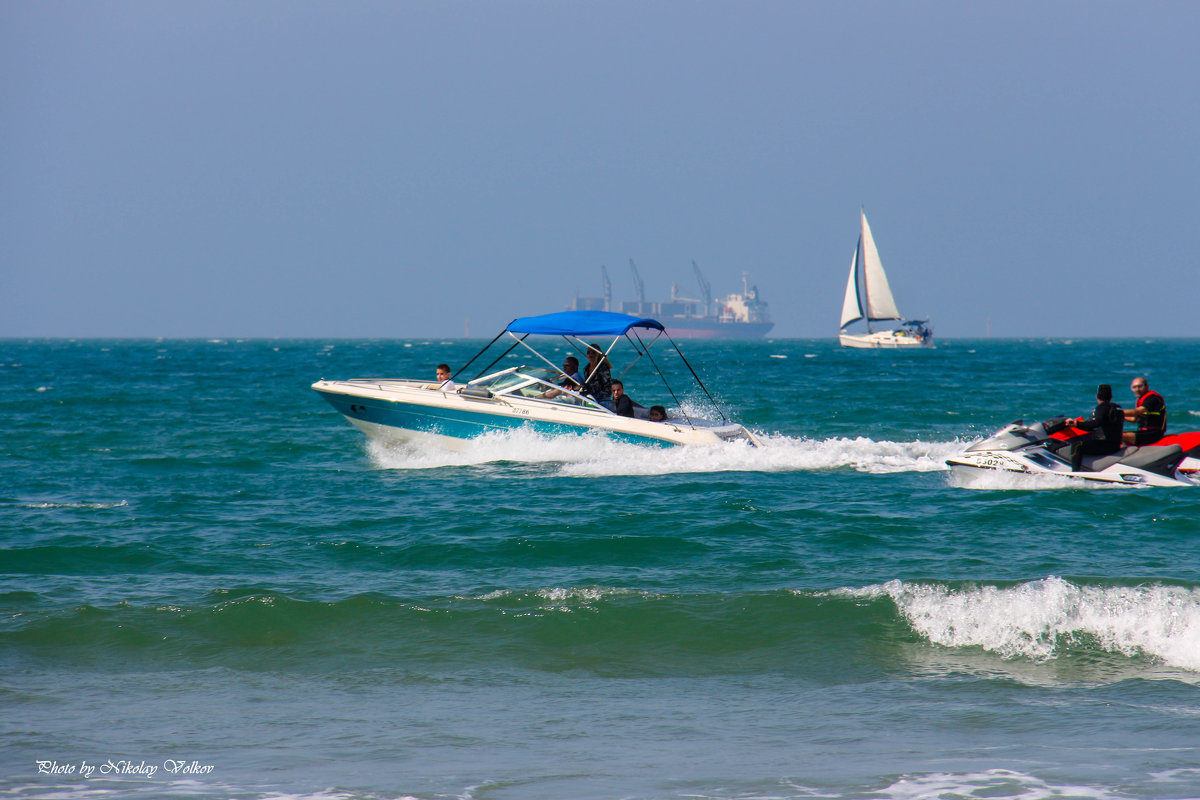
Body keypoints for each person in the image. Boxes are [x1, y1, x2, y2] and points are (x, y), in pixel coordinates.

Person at [1068, 383, 1124, 471]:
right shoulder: (1117, 409)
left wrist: (1076, 424)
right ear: (1111, 396)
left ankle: (1075, 473)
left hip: (1106, 444)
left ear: (1097, 396)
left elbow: (1095, 424)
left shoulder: (1102, 408)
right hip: (1115, 444)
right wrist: (1078, 424)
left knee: (1077, 445)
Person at [1122, 377, 1167, 445]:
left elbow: (1138, 411)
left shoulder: (1153, 399)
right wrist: (1121, 417)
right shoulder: (1140, 401)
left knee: (1120, 436)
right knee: (1116, 434)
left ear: (1147, 386)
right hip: (1144, 432)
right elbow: (1134, 419)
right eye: (1134, 387)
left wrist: (1117, 413)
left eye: (1140, 386)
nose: (1137, 390)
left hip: (1154, 433)